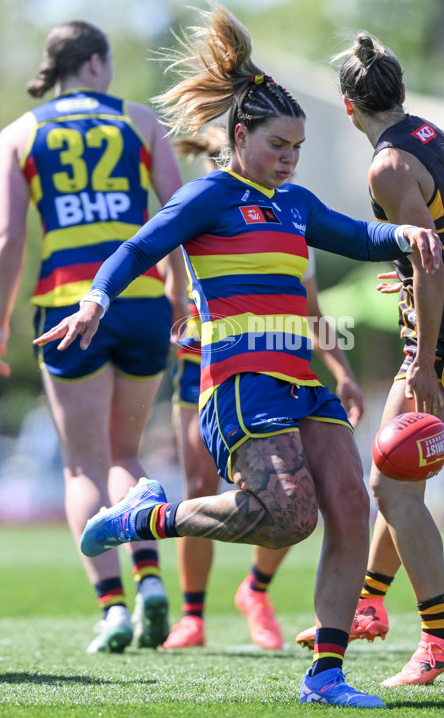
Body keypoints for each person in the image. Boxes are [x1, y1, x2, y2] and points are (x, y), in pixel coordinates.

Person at [33, 3, 442, 708]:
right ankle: (147, 517)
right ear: (242, 134)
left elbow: (356, 235)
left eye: (299, 148)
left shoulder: (296, 203)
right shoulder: (207, 195)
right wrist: (96, 298)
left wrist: (405, 236)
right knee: (286, 514)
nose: (290, 158)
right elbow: (136, 249)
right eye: (280, 144)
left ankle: (326, 675)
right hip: (239, 381)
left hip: (300, 379)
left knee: (346, 505)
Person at [295, 30, 444, 686]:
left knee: (389, 482)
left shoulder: (385, 166)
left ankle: (442, 635)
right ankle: (369, 603)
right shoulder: (433, 135)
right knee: (396, 473)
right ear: (402, 93)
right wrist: (417, 276)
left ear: (349, 107)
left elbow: (430, 258)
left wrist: (420, 354)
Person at [0, 20, 186, 654]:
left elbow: (9, 238)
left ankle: (115, 609)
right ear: (95, 63)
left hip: (67, 306)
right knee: (127, 455)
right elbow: (181, 210)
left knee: (83, 465)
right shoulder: (140, 122)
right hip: (142, 300)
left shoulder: (19, 134)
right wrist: (182, 294)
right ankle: (152, 581)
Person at [163, 128, 366, 650]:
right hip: (209, 362)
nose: (286, 160)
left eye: (295, 148)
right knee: (197, 479)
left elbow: (312, 310)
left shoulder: (292, 218)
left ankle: (256, 588)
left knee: (297, 486)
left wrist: (341, 373)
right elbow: (173, 294)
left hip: (280, 368)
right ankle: (192, 615)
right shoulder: (201, 211)